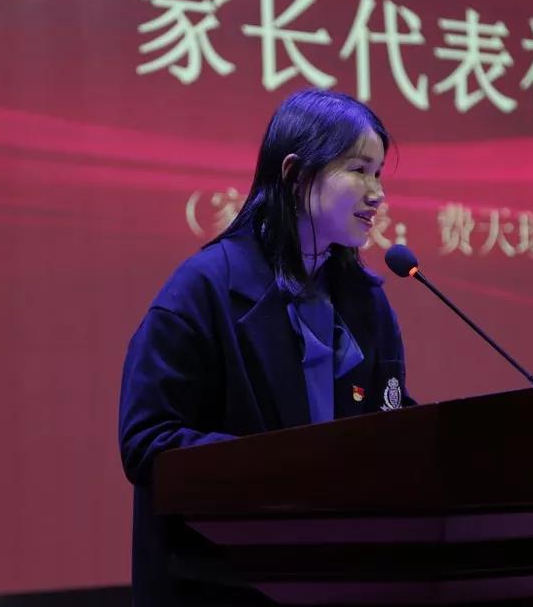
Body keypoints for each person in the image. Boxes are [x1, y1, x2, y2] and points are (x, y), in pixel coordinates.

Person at [118, 89, 415, 607]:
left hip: (342, 581)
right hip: (225, 584)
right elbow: (147, 442)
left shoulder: (366, 300)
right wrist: (283, 469)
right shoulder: (204, 288)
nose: (377, 195)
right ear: (296, 174)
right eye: (359, 170)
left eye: (379, 175)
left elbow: (388, 421)